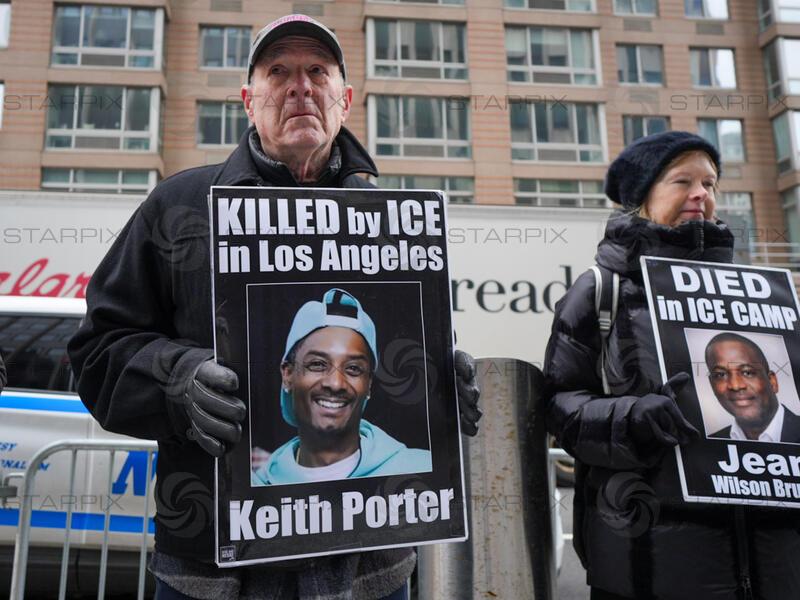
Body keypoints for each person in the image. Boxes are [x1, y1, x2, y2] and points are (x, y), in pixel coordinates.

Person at [68, 14, 480, 600]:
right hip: (212, 572)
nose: (300, 87)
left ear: (345, 99)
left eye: (317, 71)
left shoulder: (394, 220)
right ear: (248, 99)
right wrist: (177, 381)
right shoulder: (179, 207)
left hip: (370, 570)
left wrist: (443, 386)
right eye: (278, 72)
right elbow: (96, 352)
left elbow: (423, 347)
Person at [544, 130, 800, 600]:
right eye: (682, 181)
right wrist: (630, 419)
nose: (701, 194)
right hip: (650, 567)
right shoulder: (603, 289)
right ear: (642, 197)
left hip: (776, 568)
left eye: (710, 183)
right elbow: (560, 406)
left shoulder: (756, 293)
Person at [252, 288, 432, 485]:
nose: (336, 383)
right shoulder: (257, 487)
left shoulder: (422, 468)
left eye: (354, 368)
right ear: (287, 374)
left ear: (369, 384)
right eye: (317, 364)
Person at [705, 332, 800, 443]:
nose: (735, 385)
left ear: (772, 381)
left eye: (747, 372)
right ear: (712, 385)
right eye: (720, 375)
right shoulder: (710, 445)